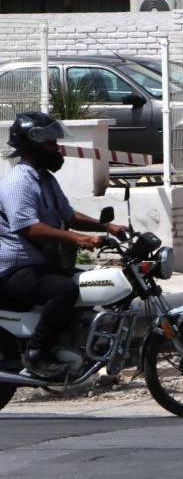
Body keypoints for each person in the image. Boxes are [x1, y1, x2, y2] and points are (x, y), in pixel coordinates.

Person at [0, 112, 126, 377]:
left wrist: (106, 227)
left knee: (85, 284)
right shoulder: (19, 182)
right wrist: (78, 238)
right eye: (50, 144)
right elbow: (30, 228)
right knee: (64, 290)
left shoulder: (45, 179)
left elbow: (69, 215)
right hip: (14, 269)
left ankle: (69, 344)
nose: (57, 150)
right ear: (33, 145)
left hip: (39, 265)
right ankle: (37, 353)